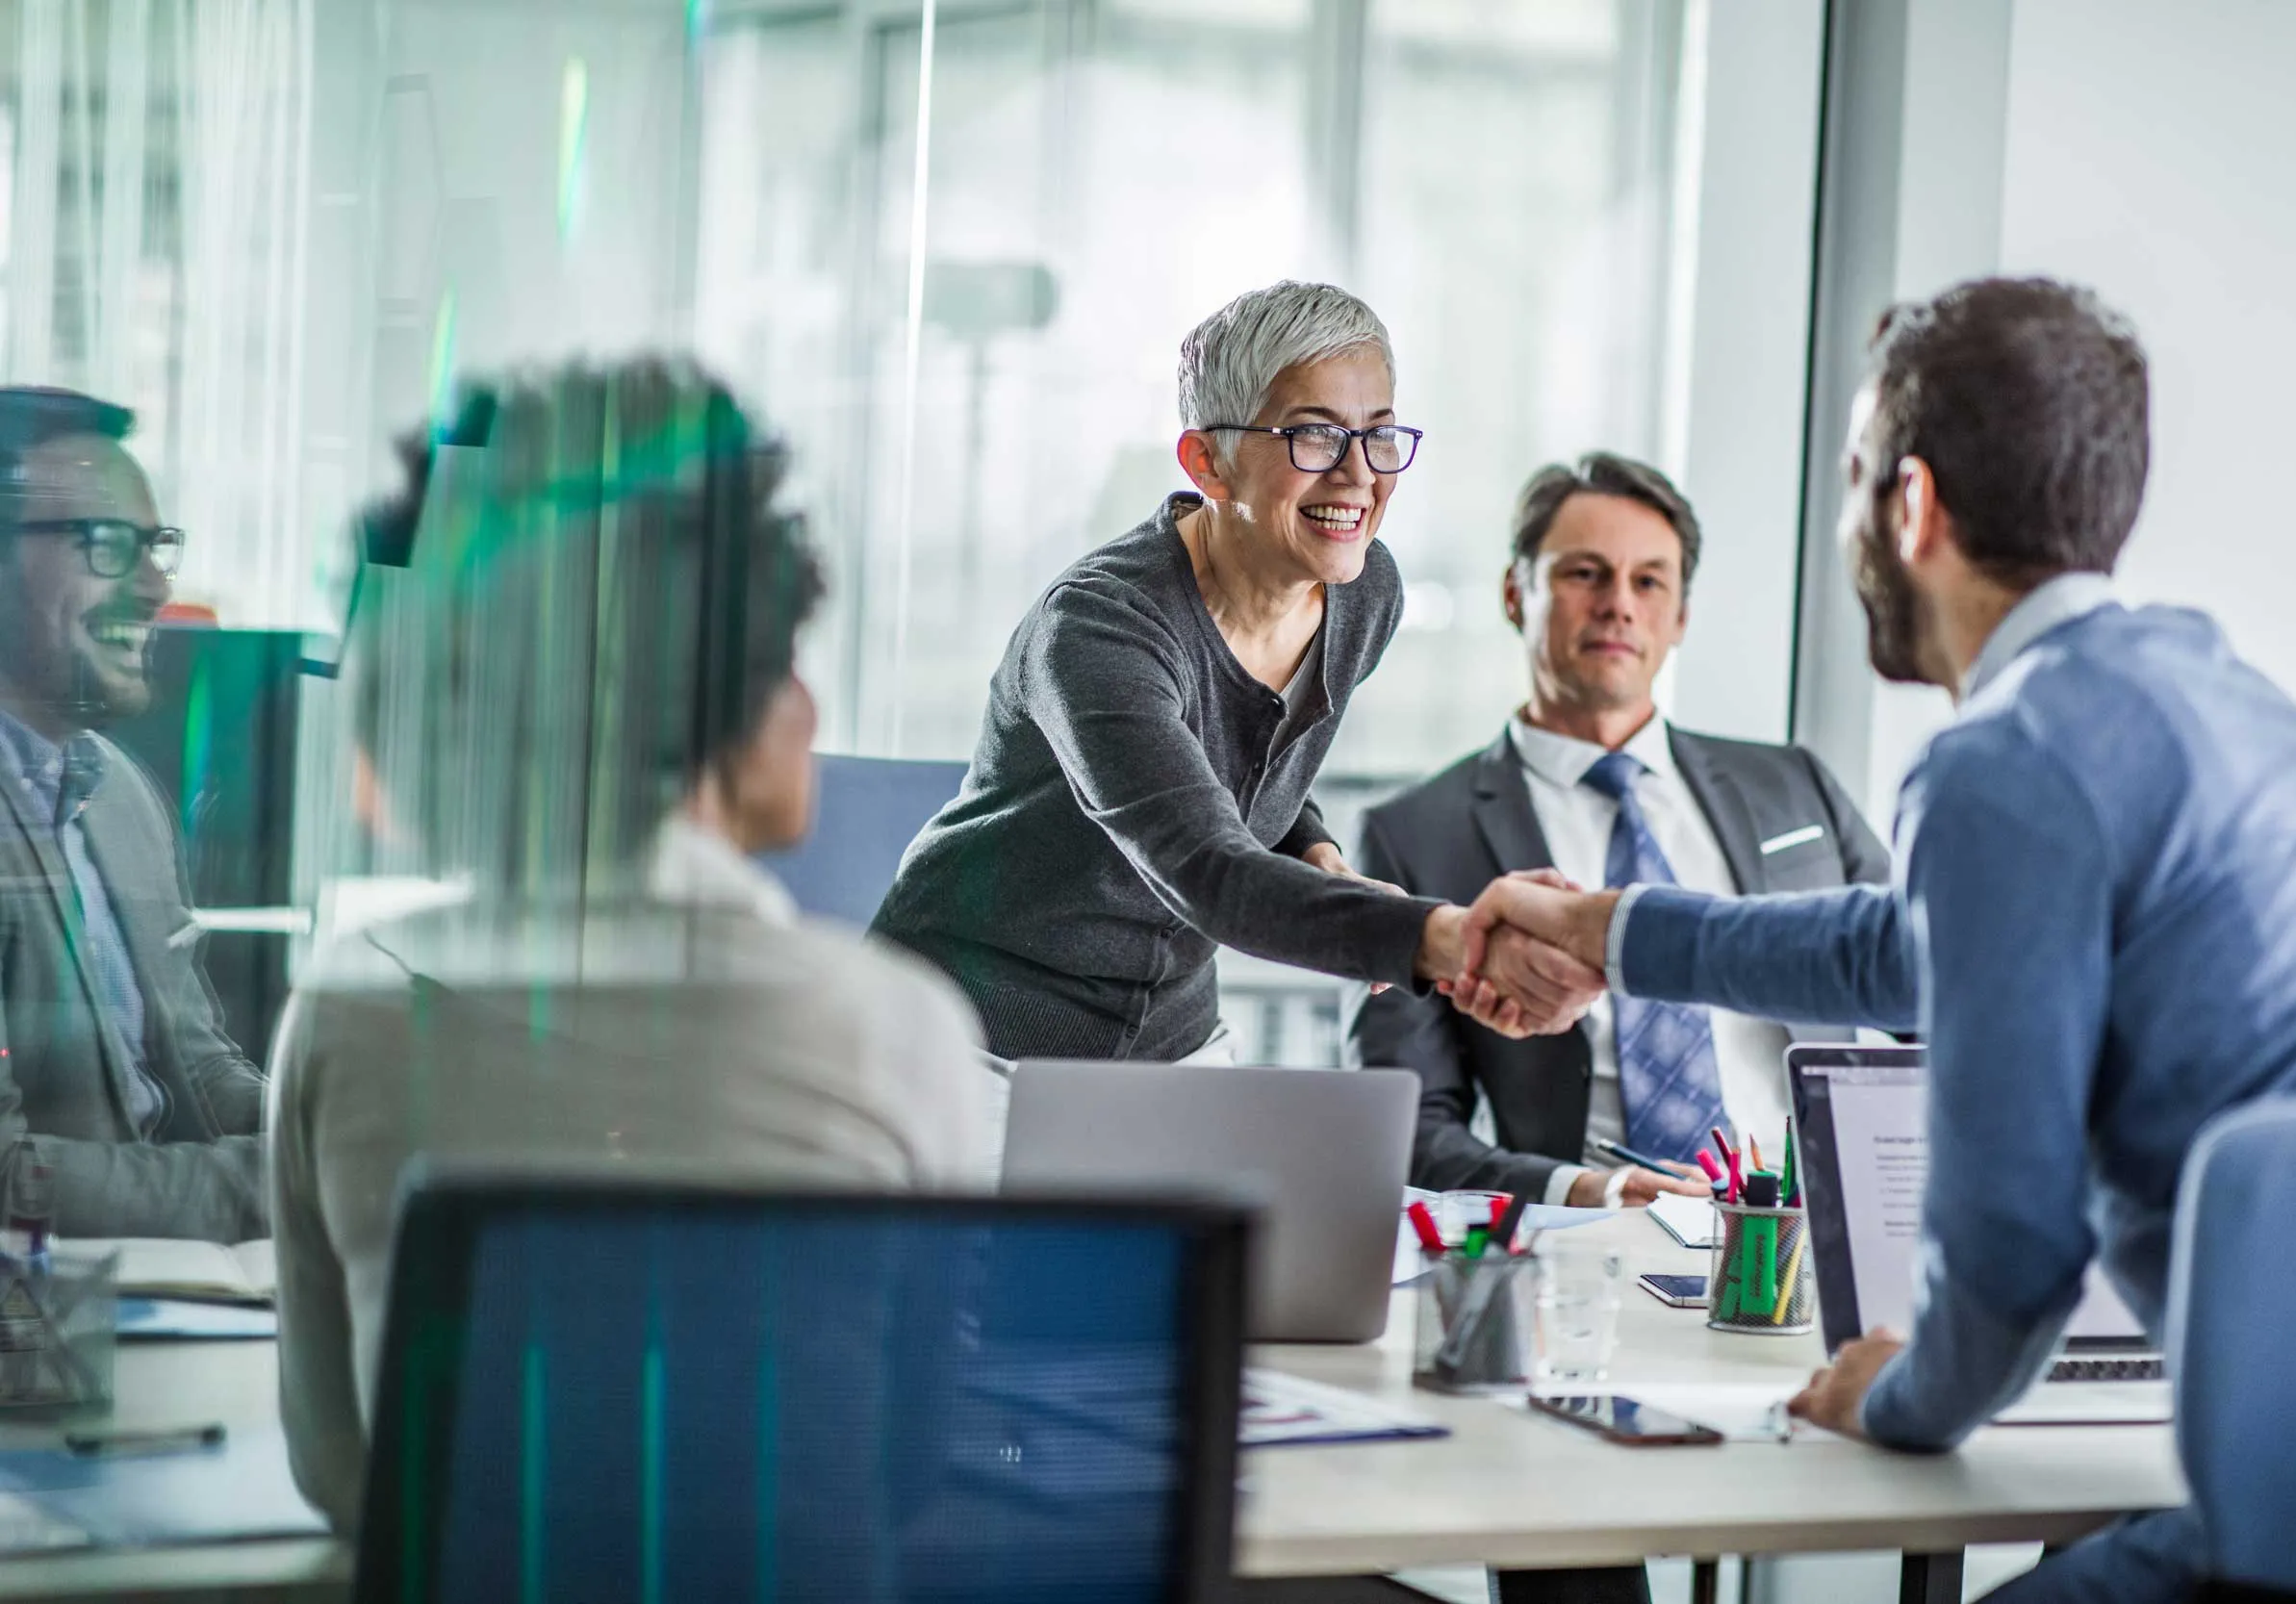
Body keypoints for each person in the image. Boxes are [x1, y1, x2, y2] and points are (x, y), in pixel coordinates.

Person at [1452, 278, 2296, 1601]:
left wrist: (1898, 1392)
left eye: (1852, 479)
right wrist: (1609, 929)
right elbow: (1907, 951)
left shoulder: (2008, 764)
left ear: (1909, 505)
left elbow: (2010, 1254)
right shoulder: (2235, 708)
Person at [269, 360, 994, 1532]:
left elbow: (347, 1478)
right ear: (724, 696)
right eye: (785, 655)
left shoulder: (349, 1006)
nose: (808, 701)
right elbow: (896, 1474)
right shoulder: (898, 1027)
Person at [871, 281, 1592, 1062]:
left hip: (1170, 1041)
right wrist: (1450, 940)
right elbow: (1205, 865)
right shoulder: (1098, 628)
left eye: (1379, 435)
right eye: (1314, 436)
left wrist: (1310, 846)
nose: (1358, 475)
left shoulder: (1362, 596)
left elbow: (1248, 766)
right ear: (1208, 462)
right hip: (972, 1042)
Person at [1348, 451, 1887, 1209]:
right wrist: (1587, 1191)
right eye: (1584, 574)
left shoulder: (1795, 785)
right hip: (1589, 1246)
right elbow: (1402, 1125)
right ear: (1516, 593)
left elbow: (1926, 984)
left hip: (1817, 1233)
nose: (1618, 605)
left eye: (1649, 581)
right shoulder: (1414, 834)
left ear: (1680, 616)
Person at [0, 387, 266, 1242]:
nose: (155, 587)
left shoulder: (117, 788)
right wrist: (278, 1186)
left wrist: (329, 1132)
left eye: (157, 547)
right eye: (110, 543)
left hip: (144, 1295)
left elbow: (191, 1065)